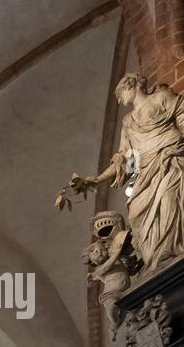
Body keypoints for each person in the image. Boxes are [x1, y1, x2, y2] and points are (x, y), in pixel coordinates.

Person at [64, 74, 184, 272]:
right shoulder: (128, 122)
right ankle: (157, 257)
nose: (119, 100)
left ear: (132, 85)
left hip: (169, 160)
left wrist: (179, 145)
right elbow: (127, 159)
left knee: (169, 201)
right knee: (136, 212)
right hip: (146, 171)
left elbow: (181, 113)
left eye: (120, 95)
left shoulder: (160, 97)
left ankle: (172, 252)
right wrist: (96, 179)